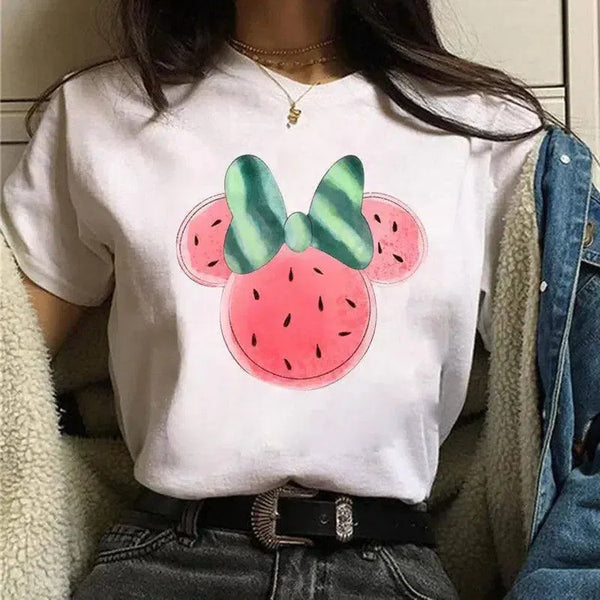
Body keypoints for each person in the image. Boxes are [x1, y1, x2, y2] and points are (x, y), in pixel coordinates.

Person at [0, 1, 552, 598]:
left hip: (390, 568)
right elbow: (13, 360)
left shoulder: (486, 131)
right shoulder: (98, 113)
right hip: (167, 564)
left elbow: (567, 402)